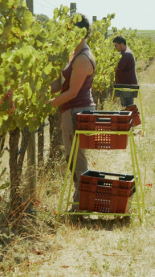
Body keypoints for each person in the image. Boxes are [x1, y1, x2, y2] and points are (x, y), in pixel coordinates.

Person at [47, 14, 96, 210]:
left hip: (77, 111)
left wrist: (48, 104)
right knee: (73, 157)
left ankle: (82, 204)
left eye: (69, 30)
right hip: (72, 111)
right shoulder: (74, 54)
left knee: (78, 157)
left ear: (80, 32)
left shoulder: (83, 58)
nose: (65, 34)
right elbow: (60, 84)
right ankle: (80, 202)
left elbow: (72, 92)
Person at [113, 36, 141, 123]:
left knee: (128, 106)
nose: (115, 48)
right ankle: (130, 125)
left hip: (127, 85)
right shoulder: (124, 53)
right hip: (126, 84)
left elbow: (117, 68)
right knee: (127, 105)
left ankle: (132, 124)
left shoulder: (126, 54)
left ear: (122, 44)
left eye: (116, 46)